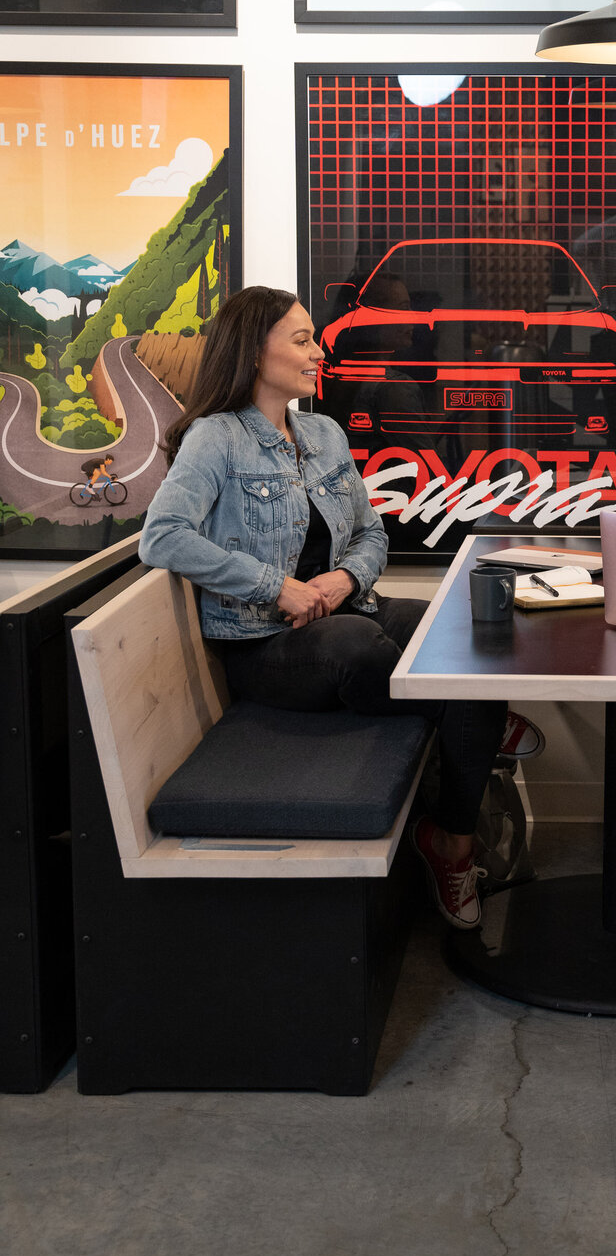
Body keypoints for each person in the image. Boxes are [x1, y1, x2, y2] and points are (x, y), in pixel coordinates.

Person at [138, 285, 539, 930]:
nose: (318, 350)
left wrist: (342, 582)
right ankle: (478, 725)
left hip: (343, 611)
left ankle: (452, 838)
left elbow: (372, 534)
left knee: (459, 630)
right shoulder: (215, 439)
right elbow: (163, 537)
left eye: (314, 337)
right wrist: (279, 586)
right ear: (252, 350)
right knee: (366, 649)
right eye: (301, 340)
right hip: (265, 647)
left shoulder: (322, 433)